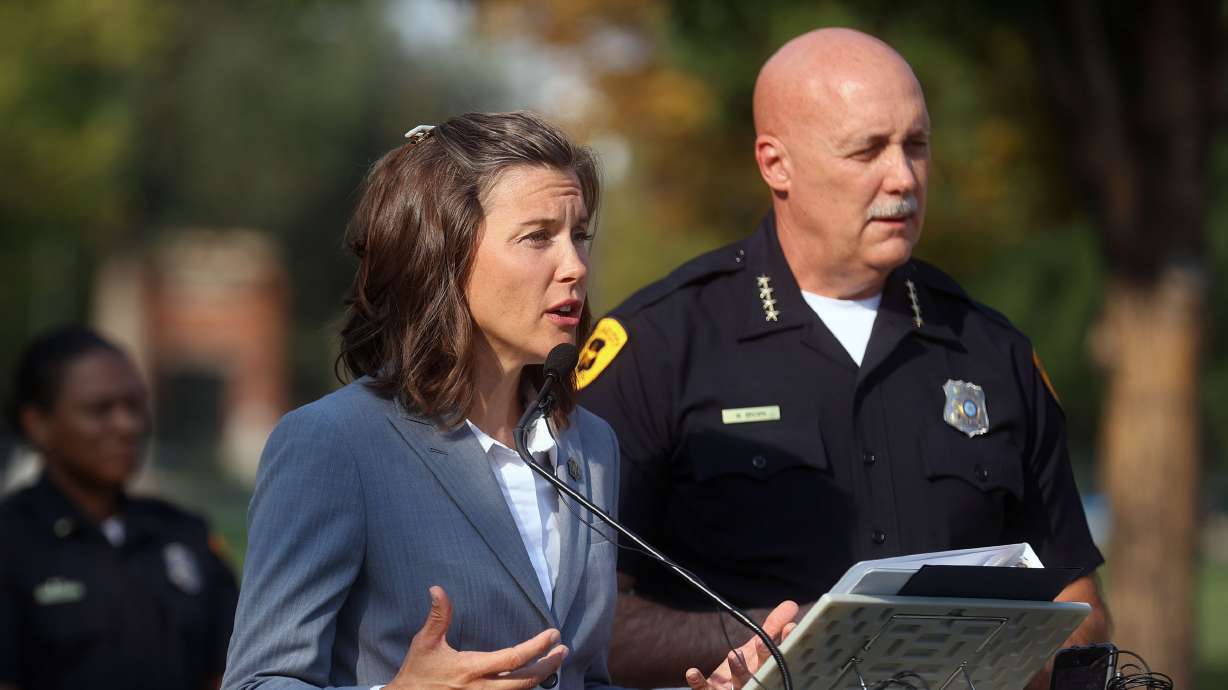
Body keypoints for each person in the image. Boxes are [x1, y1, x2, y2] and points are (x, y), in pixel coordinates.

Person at [576, 28, 1110, 689]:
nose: (903, 177)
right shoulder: (660, 346)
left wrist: (965, 660)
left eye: (916, 146)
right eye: (868, 150)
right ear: (777, 164)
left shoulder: (991, 349)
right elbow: (586, 615)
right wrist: (774, 644)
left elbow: (1079, 605)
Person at [221, 111, 795, 690]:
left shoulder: (590, 446)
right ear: (439, 256)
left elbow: (582, 679)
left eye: (579, 236)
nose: (574, 266)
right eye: (537, 237)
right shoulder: (333, 444)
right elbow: (257, 681)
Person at [0, 325, 239, 690]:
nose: (128, 425)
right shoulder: (12, 543)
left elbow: (232, 673)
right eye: (100, 410)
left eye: (135, 405)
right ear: (38, 424)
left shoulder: (185, 534)